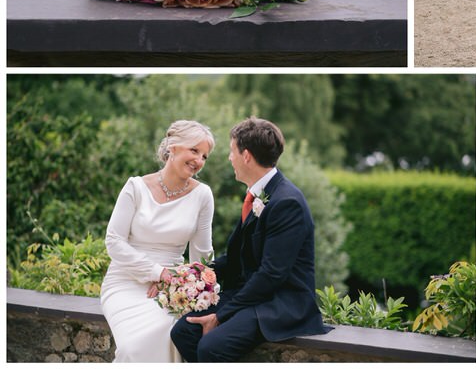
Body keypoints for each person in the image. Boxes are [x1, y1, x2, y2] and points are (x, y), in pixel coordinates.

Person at [171, 117, 327, 362]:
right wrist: (189, 275)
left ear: (246, 156)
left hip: (279, 302)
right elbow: (234, 259)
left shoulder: (287, 202)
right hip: (253, 293)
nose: (229, 158)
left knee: (212, 346)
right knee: (184, 331)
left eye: (232, 152)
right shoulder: (259, 195)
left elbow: (272, 274)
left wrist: (220, 316)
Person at [101, 120, 216, 362]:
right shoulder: (135, 187)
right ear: (173, 147)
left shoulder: (202, 195)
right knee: (132, 348)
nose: (199, 161)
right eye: (194, 151)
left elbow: (202, 255)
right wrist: (157, 272)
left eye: (204, 156)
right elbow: (113, 241)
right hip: (125, 281)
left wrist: (190, 287)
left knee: (169, 336)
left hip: (171, 289)